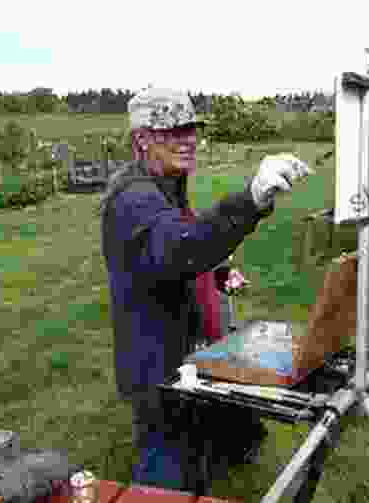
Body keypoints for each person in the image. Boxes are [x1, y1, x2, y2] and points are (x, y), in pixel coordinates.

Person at [97, 87, 314, 492]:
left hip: (185, 348)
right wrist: (250, 201)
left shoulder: (164, 186)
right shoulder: (132, 200)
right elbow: (178, 248)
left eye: (192, 129)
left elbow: (175, 249)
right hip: (155, 368)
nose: (189, 139)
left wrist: (218, 271)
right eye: (174, 131)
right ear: (142, 139)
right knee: (169, 477)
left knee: (224, 432)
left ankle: (230, 446)